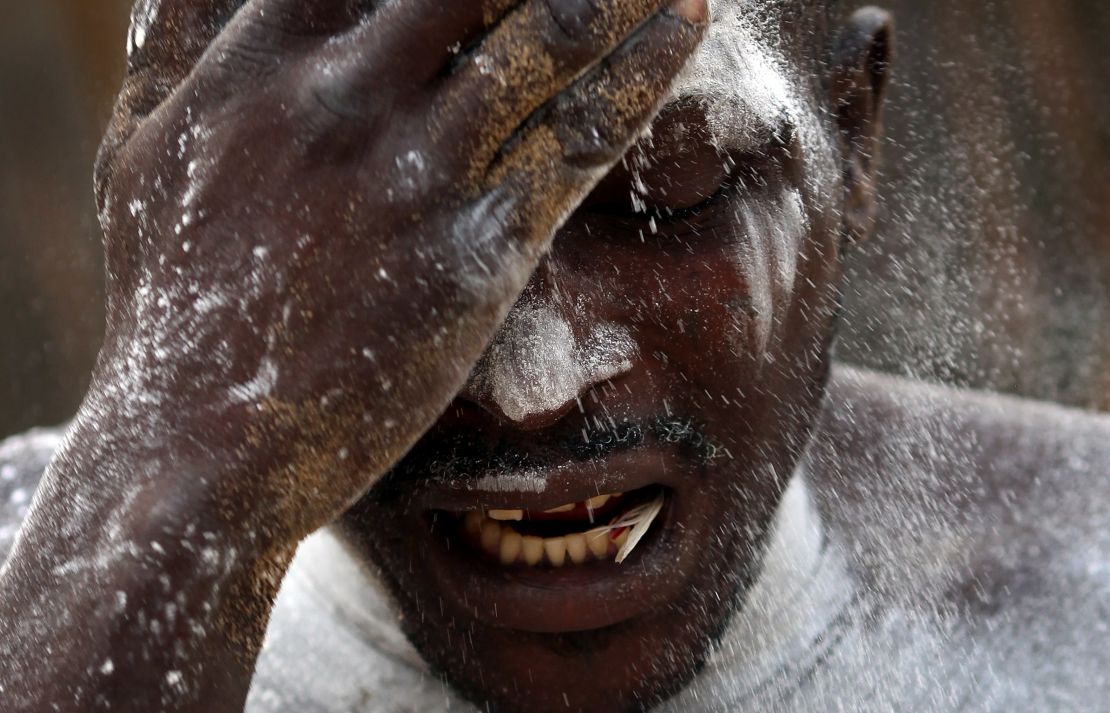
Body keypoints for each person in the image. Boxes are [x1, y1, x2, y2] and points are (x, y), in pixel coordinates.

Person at [1, 0, 1107, 711]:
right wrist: (179, 460)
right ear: (193, 237)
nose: (540, 389)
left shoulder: (1084, 593)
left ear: (849, 128)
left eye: (664, 199)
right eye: (384, 241)